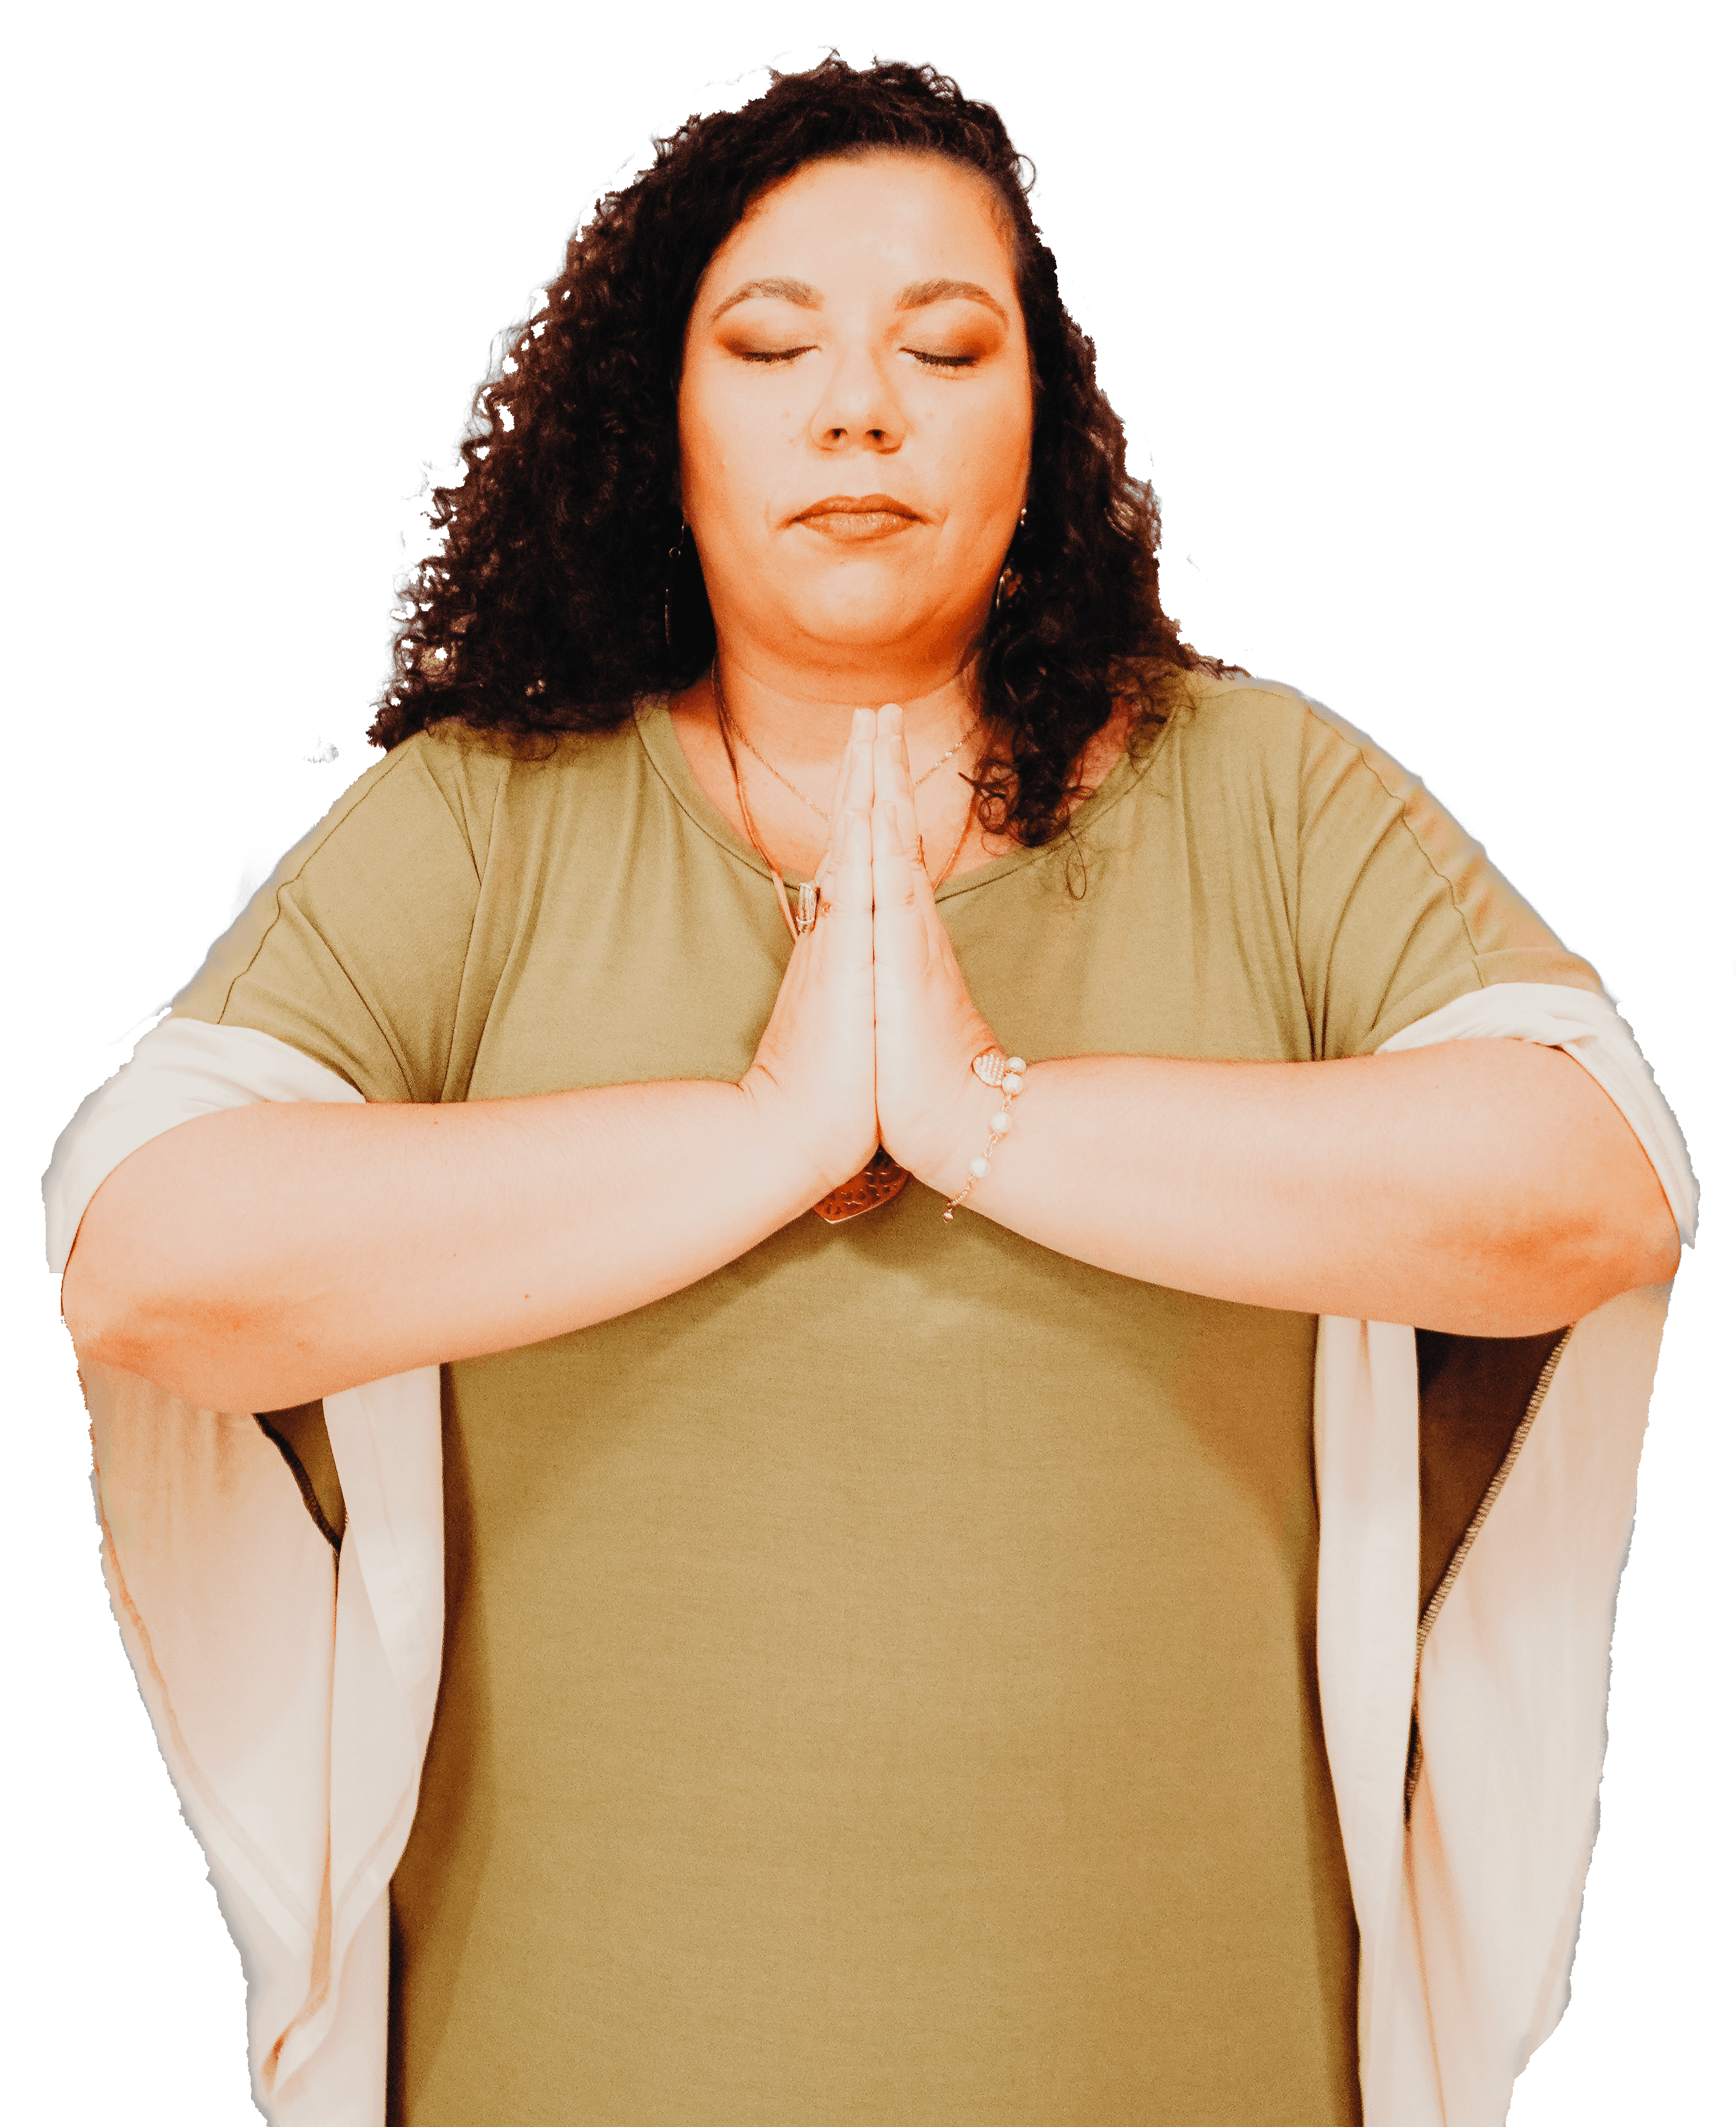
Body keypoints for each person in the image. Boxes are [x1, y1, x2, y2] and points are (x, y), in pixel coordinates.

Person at [46, 53, 1694, 2127]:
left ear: (1040, 437)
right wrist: (765, 1134)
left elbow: (1592, 1176)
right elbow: (149, 1255)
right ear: (662, 426)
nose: (860, 408)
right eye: (769, 346)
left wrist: (981, 1107)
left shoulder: (1261, 791)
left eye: (944, 344)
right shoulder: (482, 824)